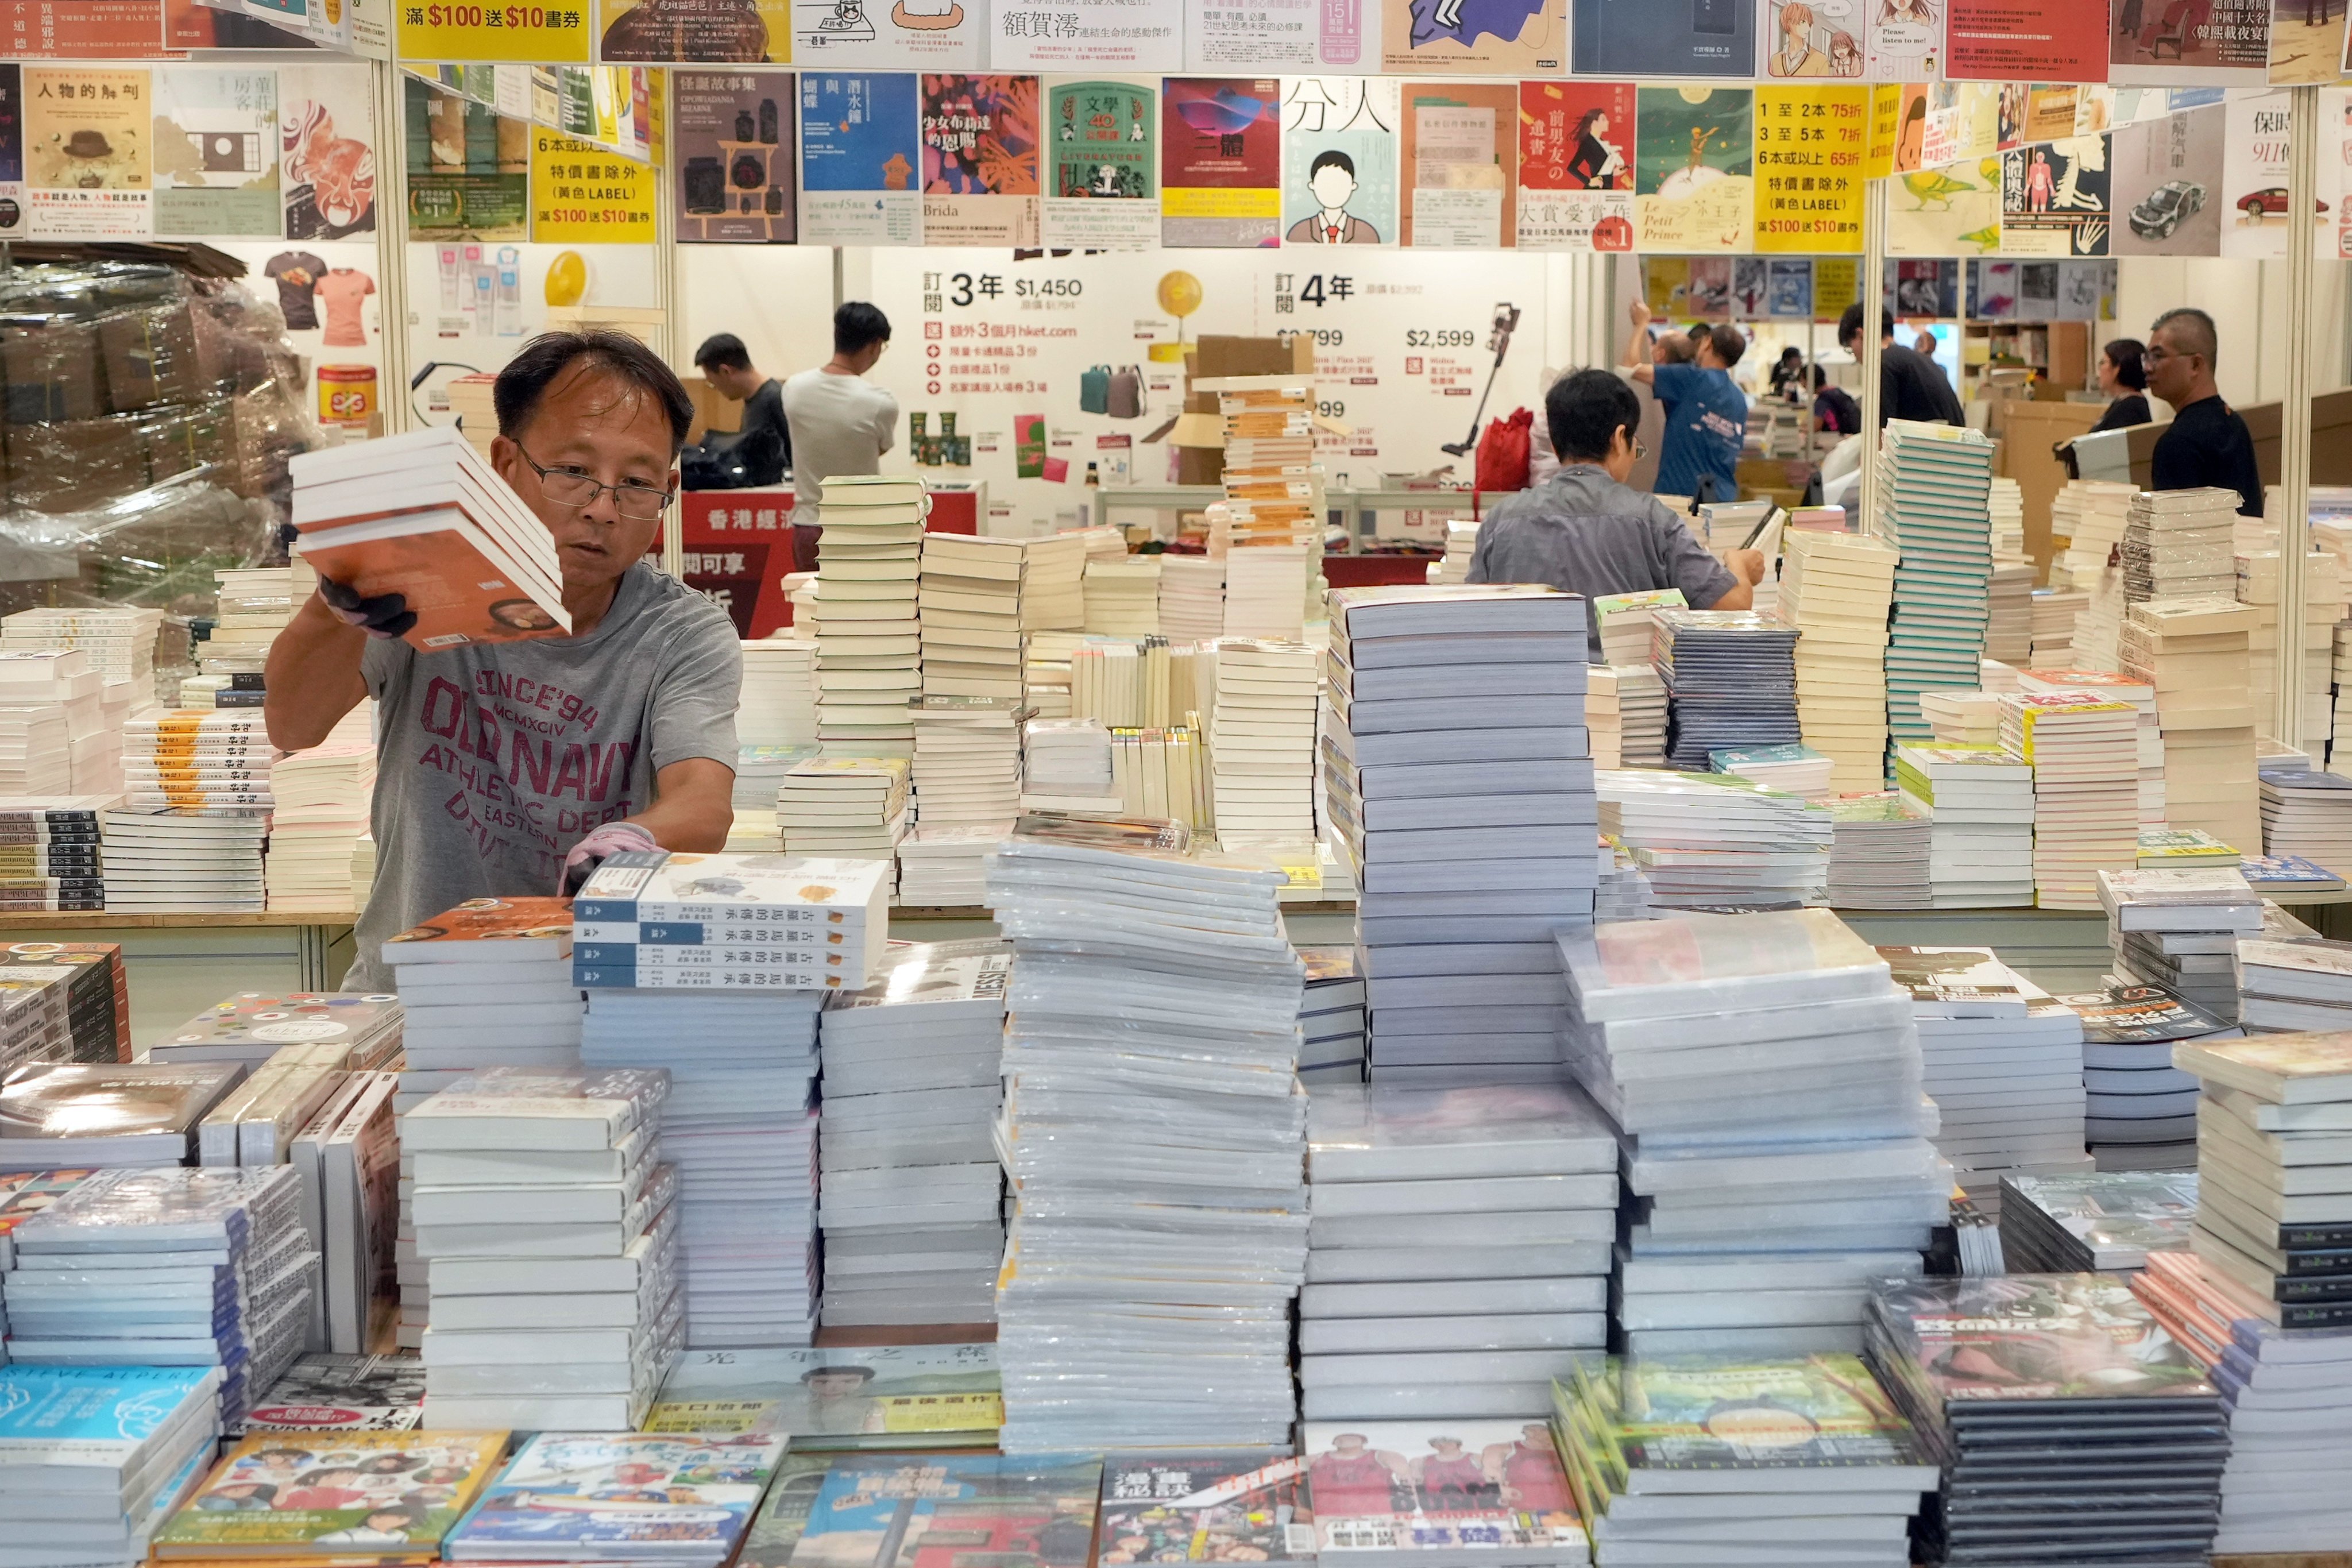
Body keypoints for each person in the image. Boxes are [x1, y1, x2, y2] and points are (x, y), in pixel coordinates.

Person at [264, 330, 743, 987]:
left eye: (636, 484)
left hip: (583, 995)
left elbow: (704, 804)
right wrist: (335, 605)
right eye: (574, 472)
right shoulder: (424, 583)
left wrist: (628, 841)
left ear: (668, 489)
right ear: (505, 461)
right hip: (413, 993)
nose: (603, 509)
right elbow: (293, 726)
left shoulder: (681, 630)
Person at [1467, 369, 1763, 662]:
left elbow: (1467, 621)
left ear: (1556, 446)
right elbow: (1732, 608)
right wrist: (1737, 563)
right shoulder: (1653, 520)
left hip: (1527, 700)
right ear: (1621, 438)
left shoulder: (1501, 520)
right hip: (1628, 704)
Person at [783, 302, 899, 573]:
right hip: (863, 527)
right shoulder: (881, 402)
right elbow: (875, 450)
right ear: (874, 345)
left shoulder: (793, 389)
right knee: (865, 611)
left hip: (809, 525)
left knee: (813, 610)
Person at [1621, 302, 1747, 503]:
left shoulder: (1691, 379)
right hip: (1722, 500)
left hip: (1681, 499)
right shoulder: (1739, 399)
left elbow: (1629, 368)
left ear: (1706, 343)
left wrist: (1641, 324)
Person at [2145, 306, 2262, 516]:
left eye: (2158, 357)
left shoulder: (2178, 443)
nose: (2148, 368)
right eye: (2147, 358)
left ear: (2195, 365)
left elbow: (2173, 542)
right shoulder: (2234, 423)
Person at [687, 332, 793, 488]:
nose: (716, 389)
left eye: (712, 383)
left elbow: (793, 457)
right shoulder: (753, 400)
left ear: (725, 372)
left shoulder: (776, 399)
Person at [1839, 303, 1964, 426]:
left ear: (1861, 335)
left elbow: (1882, 433)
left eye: (1851, 349)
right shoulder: (1915, 359)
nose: (1856, 356)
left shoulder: (1883, 362)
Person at [1284, 150, 1380, 243]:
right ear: (1312, 185)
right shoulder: (1298, 232)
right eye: (1325, 183)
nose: (1333, 189)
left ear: (1353, 186)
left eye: (1340, 183)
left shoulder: (1367, 232)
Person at [2091, 337, 2153, 432]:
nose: (2100, 369)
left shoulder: (2130, 410)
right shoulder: (2126, 403)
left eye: (2103, 362)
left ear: (2117, 369)